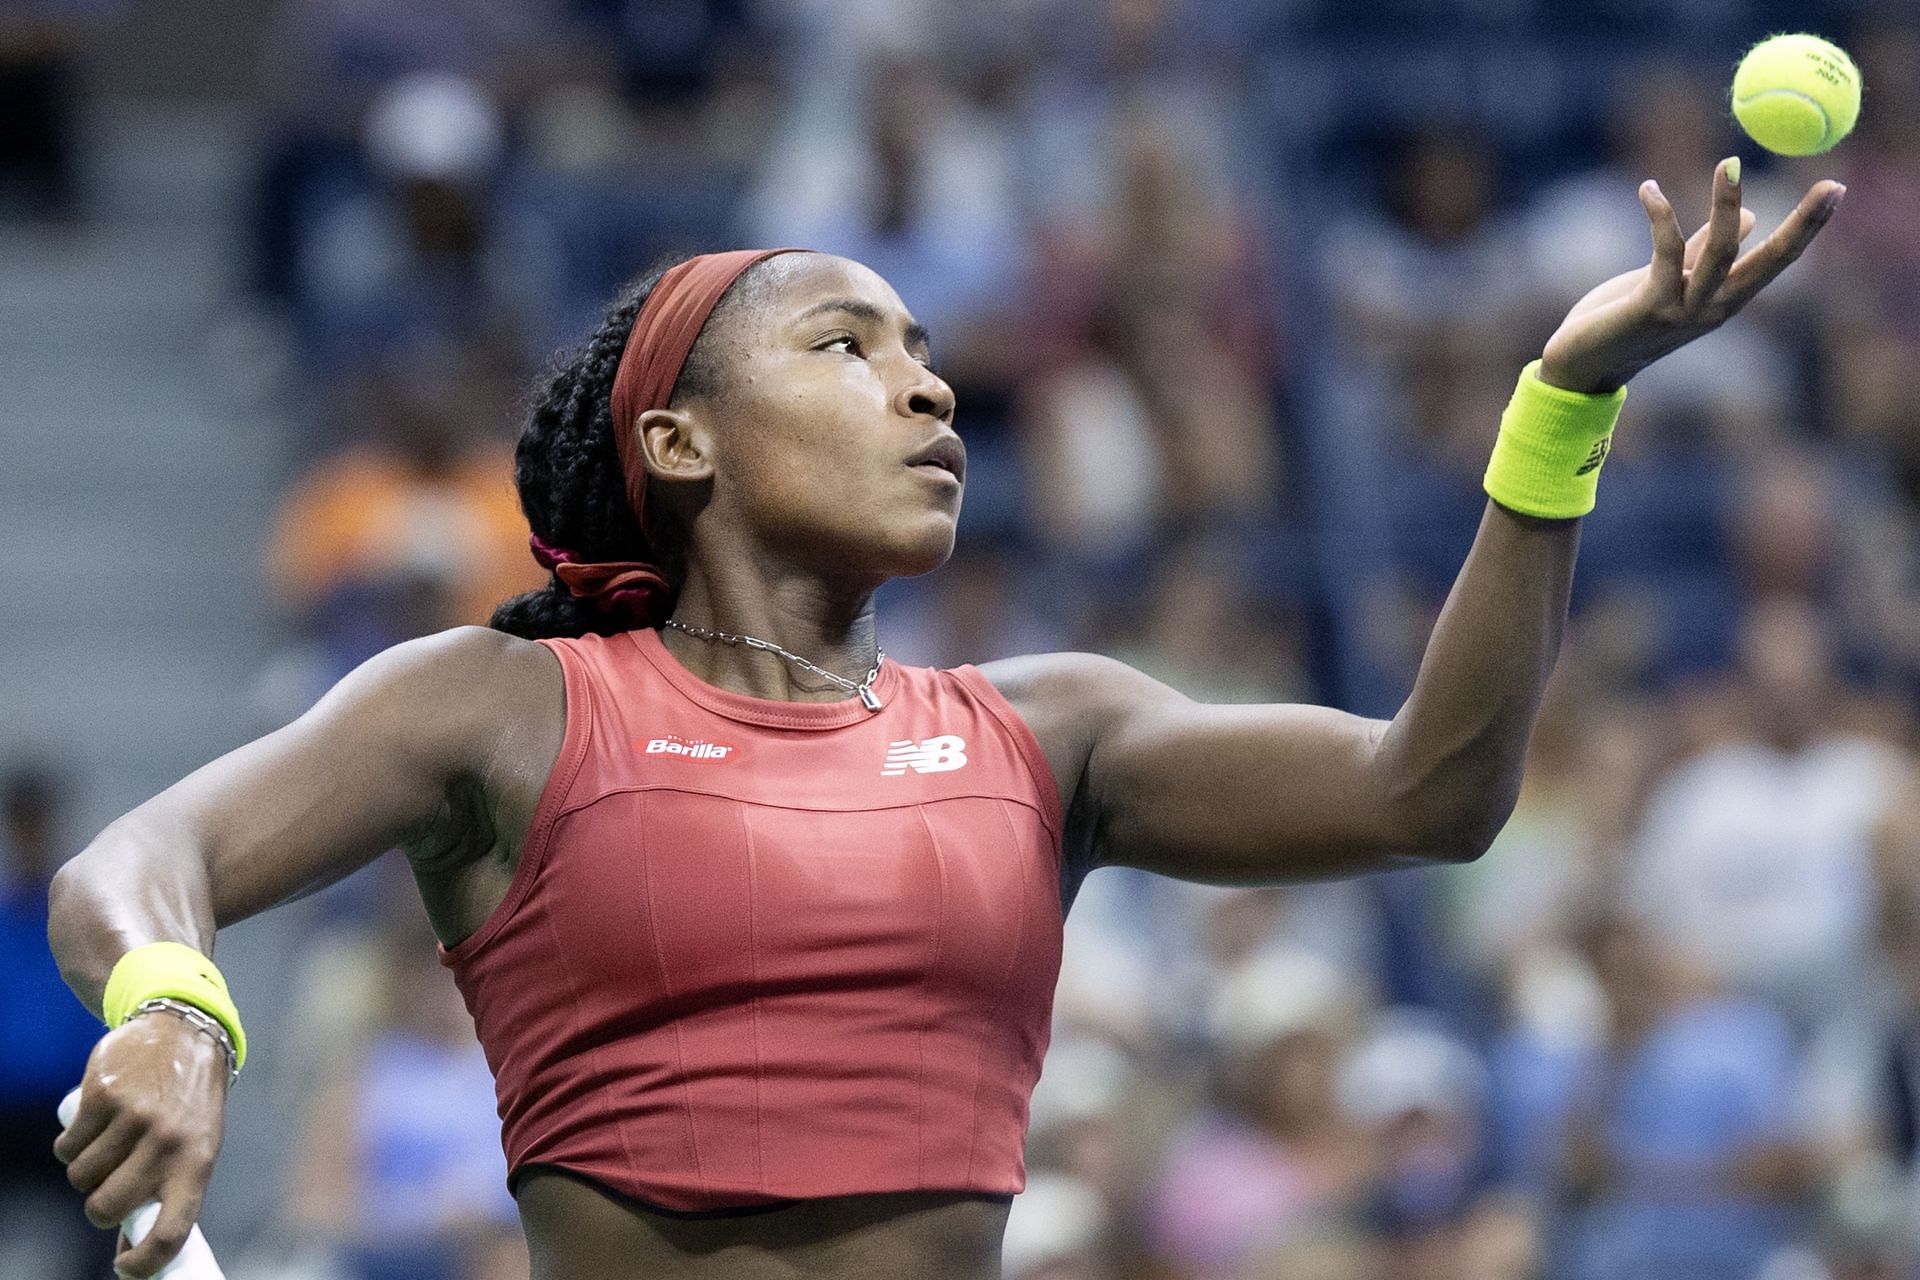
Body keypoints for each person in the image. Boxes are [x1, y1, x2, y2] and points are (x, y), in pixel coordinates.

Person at [47, 158, 1842, 1279]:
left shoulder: (1047, 731)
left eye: (922, 349)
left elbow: (1428, 792)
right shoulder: (508, 706)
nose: (926, 381)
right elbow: (147, 860)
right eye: (845, 346)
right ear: (678, 443)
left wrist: (1558, 411)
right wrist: (179, 1012)